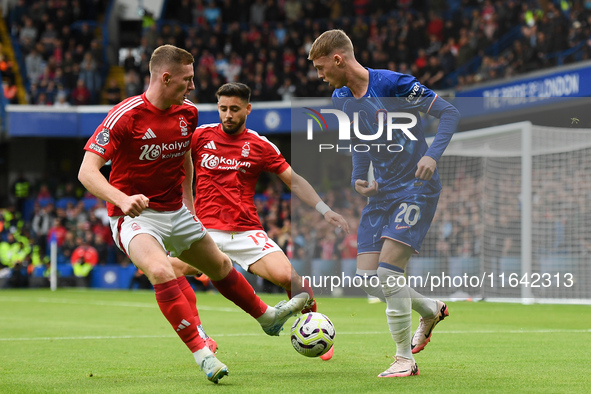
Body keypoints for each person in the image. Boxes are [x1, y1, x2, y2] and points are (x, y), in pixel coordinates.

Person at [78, 44, 309, 384]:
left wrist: (190, 204)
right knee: (160, 269)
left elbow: (184, 157)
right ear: (166, 77)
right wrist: (121, 198)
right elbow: (87, 171)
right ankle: (203, 354)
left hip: (177, 211)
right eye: (187, 79)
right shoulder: (126, 116)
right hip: (135, 216)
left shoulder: (187, 113)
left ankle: (267, 317)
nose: (193, 86)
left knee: (220, 266)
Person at [308, 30, 461, 377]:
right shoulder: (341, 97)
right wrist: (359, 177)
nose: (319, 76)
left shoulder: (393, 84)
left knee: (389, 274)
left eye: (320, 68)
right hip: (383, 191)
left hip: (416, 186)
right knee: (368, 278)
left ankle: (404, 359)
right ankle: (431, 308)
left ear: (338, 59)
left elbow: (449, 113)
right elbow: (361, 139)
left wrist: (433, 156)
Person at [170, 82, 349, 361]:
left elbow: (294, 180)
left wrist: (324, 209)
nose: (227, 115)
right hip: (204, 231)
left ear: (248, 109)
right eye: (223, 109)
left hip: (246, 231)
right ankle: (199, 334)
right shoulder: (200, 136)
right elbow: (181, 167)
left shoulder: (259, 144)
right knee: (166, 269)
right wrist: (187, 208)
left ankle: (313, 326)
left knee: (289, 279)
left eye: (234, 109)